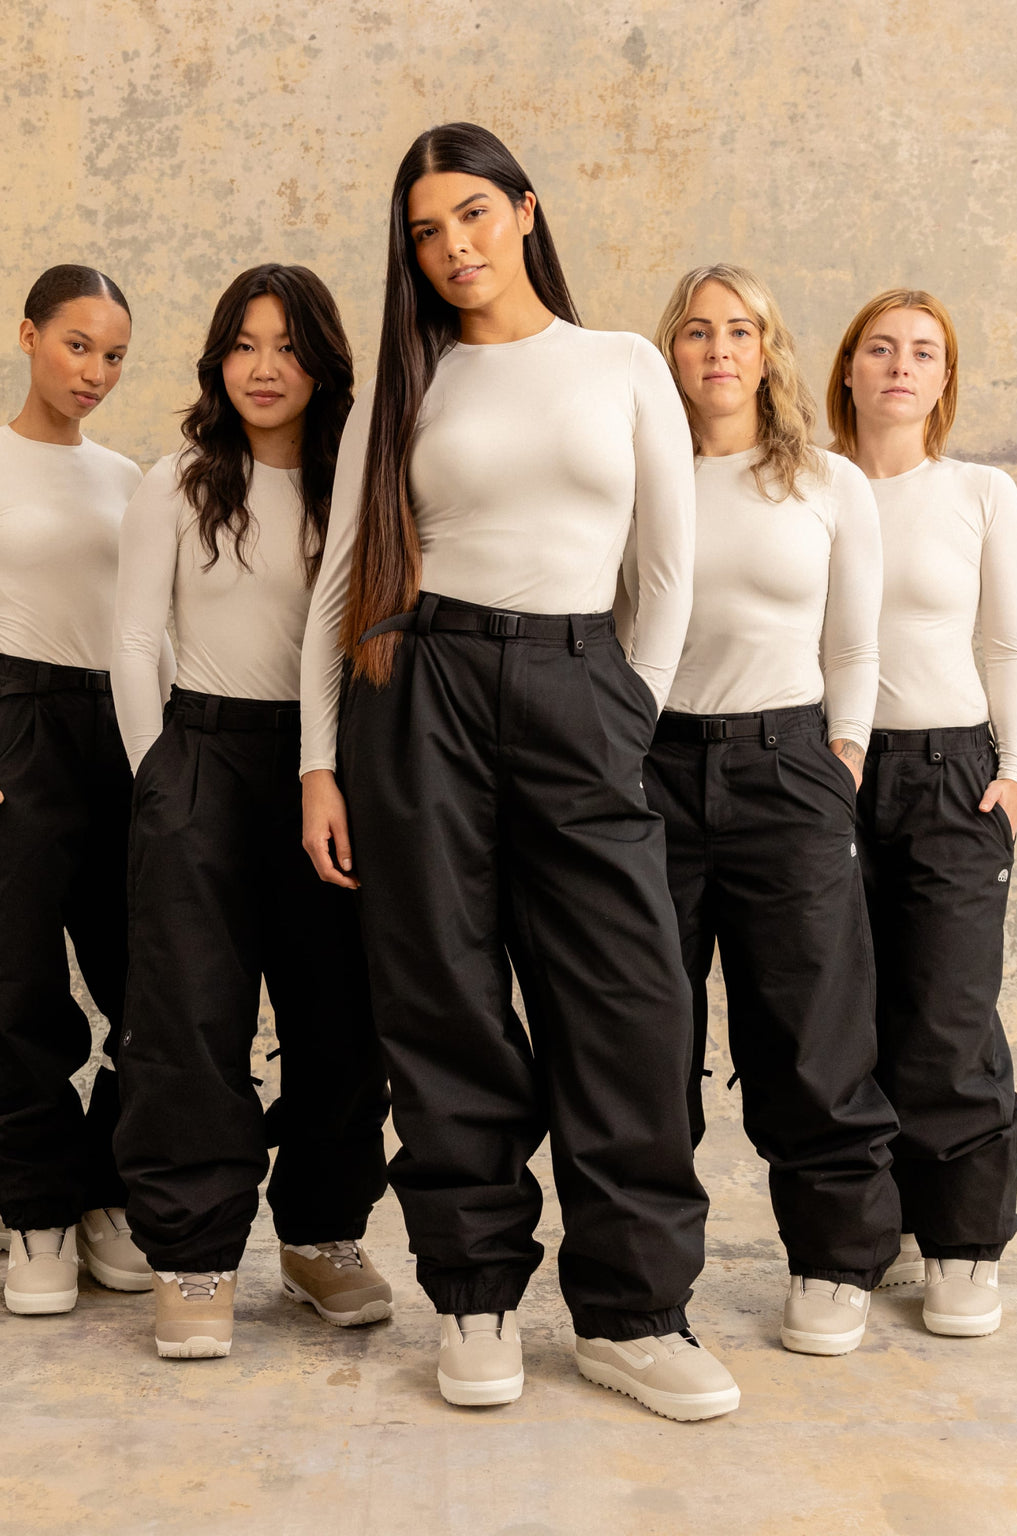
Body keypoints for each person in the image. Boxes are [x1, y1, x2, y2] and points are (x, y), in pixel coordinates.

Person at [300, 122, 739, 1422]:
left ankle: (635, 1315)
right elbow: (343, 578)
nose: (454, 248)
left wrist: (623, 714)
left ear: (528, 211)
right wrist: (321, 764)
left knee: (628, 1001)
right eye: (427, 232)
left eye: (475, 215)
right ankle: (476, 1294)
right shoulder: (404, 382)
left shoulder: (621, 364)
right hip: (417, 688)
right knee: (442, 994)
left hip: (577, 687)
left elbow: (666, 571)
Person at [111, 264, 391, 1360]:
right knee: (190, 1016)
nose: (264, 367)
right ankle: (193, 1251)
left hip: (336, 770)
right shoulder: (176, 481)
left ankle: (322, 1236)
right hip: (204, 756)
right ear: (218, 360)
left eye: (286, 345)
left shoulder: (361, 488)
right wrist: (159, 780)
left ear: (323, 363)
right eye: (243, 343)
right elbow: (134, 641)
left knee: (339, 1015)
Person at [634, 263, 901, 1356]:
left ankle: (836, 1260)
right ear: (673, 352)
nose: (717, 351)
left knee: (811, 1027)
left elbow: (854, 644)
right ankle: (648, 1274)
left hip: (789, 763)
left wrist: (838, 762)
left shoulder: (828, 484)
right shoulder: (641, 482)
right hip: (652, 768)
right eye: (696, 332)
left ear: (768, 349)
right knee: (647, 1034)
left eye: (738, 331)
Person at [826, 289, 1017, 1336]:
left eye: (924, 353)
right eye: (881, 349)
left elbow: (1005, 644)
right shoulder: (807, 486)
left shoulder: (979, 493)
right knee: (841, 1014)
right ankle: (863, 1234)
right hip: (828, 772)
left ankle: (960, 1242)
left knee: (946, 1015)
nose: (900, 366)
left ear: (943, 381)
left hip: (953, 774)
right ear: (847, 369)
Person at [0, 263, 165, 1315]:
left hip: (123, 728)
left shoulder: (130, 479)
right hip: (14, 724)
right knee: (14, 986)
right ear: (26, 335)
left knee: (151, 984)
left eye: (112, 355)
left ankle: (107, 1184)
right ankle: (33, 1209)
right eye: (76, 345)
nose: (94, 371)